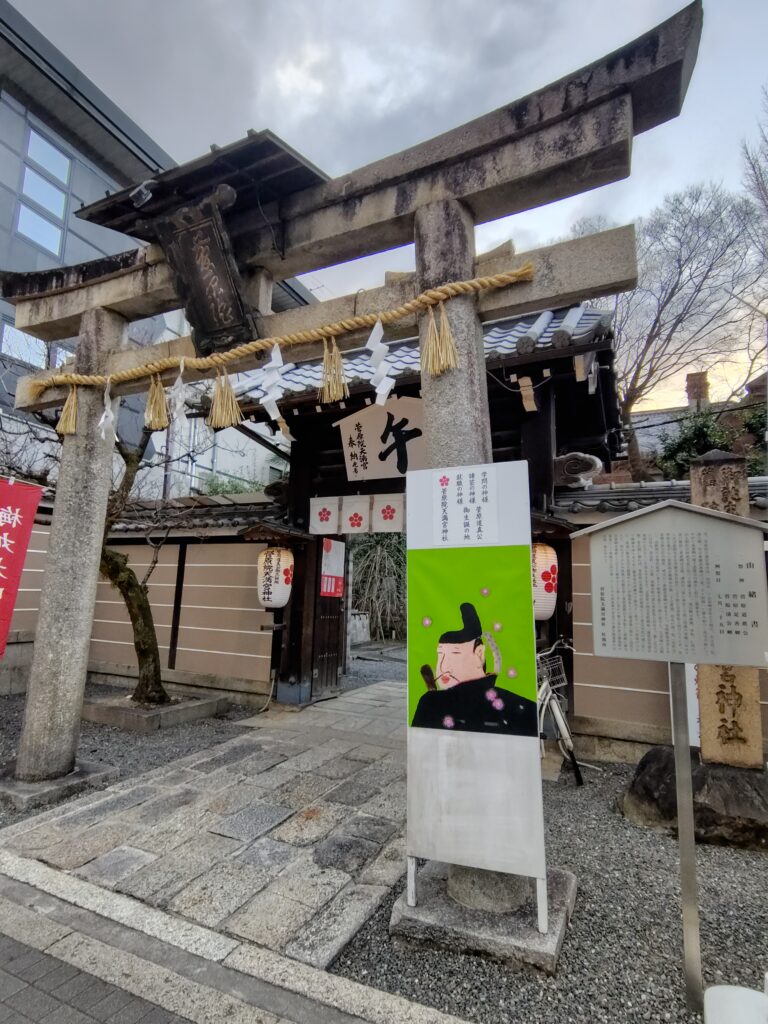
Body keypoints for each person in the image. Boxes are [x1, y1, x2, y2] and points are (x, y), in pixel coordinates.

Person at [411, 602, 537, 736]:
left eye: (455, 654)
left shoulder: (520, 708)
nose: (443, 666)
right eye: (440, 655)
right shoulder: (430, 703)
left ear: (479, 654)